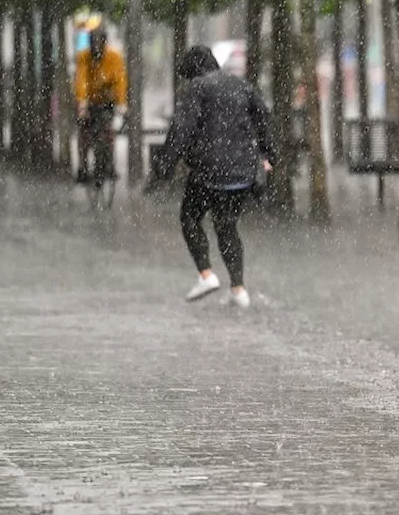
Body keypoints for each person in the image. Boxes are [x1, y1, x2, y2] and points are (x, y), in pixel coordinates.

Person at [153, 46, 272, 309]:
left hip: (208, 171)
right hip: (242, 172)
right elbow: (263, 118)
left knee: (190, 218)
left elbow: (180, 131)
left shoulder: (196, 89)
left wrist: (163, 167)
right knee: (227, 225)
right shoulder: (241, 85)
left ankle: (206, 275)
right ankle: (239, 290)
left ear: (192, 71)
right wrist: (267, 155)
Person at [73, 27, 128, 183]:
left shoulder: (114, 57)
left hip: (106, 100)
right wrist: (82, 105)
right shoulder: (83, 57)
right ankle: (82, 166)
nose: (96, 49)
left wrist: (122, 105)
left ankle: (109, 163)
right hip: (88, 100)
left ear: (104, 43)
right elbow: (81, 81)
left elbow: (120, 82)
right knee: (83, 130)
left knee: (108, 130)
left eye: (100, 44)